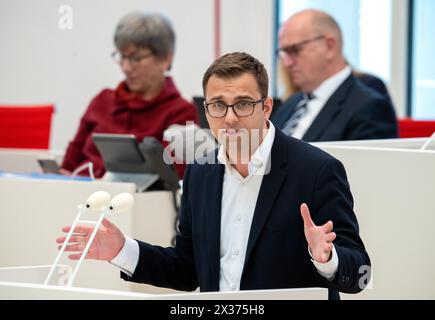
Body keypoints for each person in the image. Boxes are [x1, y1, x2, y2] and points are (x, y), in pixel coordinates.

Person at [56, 52, 370, 300]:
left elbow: (359, 274)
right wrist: (122, 249)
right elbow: (187, 268)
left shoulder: (316, 170)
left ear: (267, 107)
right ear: (206, 111)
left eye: (244, 104)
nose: (230, 118)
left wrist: (327, 258)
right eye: (218, 105)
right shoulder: (200, 173)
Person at [61, 12, 198, 178]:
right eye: (122, 57)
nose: (125, 67)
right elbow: (69, 164)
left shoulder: (181, 113)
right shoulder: (102, 100)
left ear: (165, 59)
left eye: (135, 58)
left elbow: (172, 180)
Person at [272, 9, 398, 142]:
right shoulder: (292, 103)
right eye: (284, 53)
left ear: (330, 46)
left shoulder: (369, 107)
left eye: (295, 50)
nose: (286, 63)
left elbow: (369, 162)